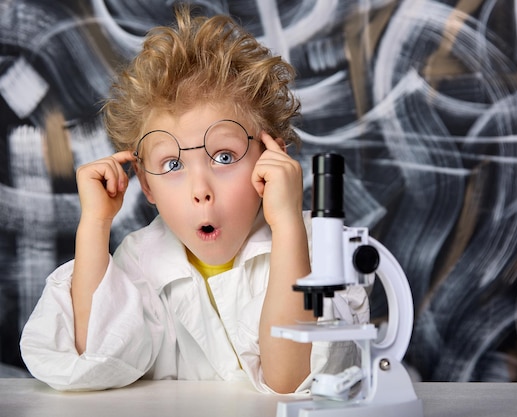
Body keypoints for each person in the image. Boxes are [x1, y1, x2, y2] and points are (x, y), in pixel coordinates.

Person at [20, 6, 368, 394]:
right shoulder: (139, 258)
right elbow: (91, 363)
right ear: (147, 187)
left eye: (223, 157)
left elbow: (289, 380)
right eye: (172, 164)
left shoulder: (317, 248)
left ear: (271, 161)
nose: (199, 189)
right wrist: (94, 226)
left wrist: (286, 226)